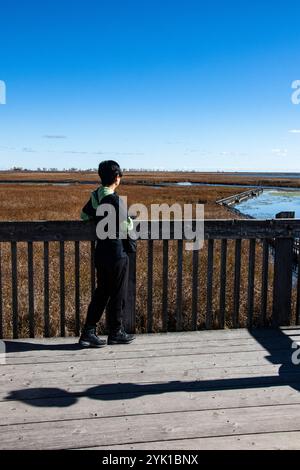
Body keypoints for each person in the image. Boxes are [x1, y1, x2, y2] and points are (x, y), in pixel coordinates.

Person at [79, 160, 135, 347]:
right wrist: (129, 220)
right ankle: (116, 332)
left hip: (101, 251)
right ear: (117, 177)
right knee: (118, 293)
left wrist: (99, 217)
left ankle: (88, 331)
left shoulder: (96, 195)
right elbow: (126, 226)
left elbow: (84, 215)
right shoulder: (115, 199)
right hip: (116, 252)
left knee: (102, 292)